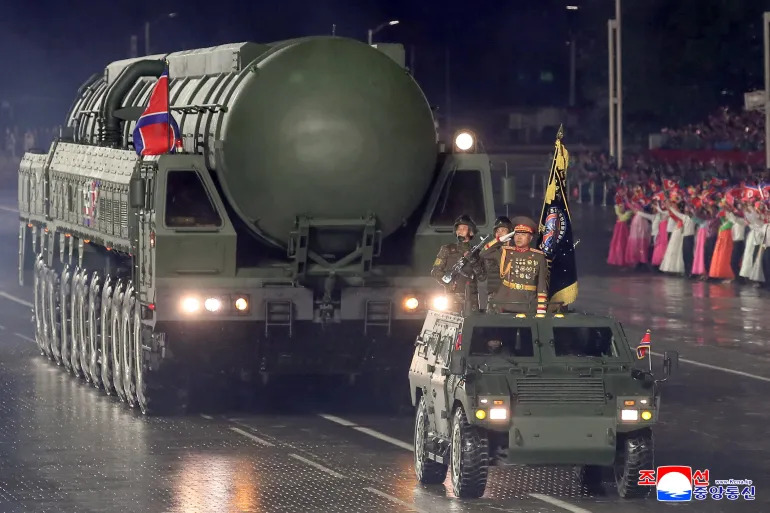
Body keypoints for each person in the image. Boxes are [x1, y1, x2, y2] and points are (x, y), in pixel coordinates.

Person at [488, 216, 548, 314]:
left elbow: (541, 286)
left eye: (523, 234)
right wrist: (500, 239)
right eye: (516, 234)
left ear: (530, 238)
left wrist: (541, 310)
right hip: (506, 303)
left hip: (528, 304)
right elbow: (484, 253)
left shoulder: (538, 257)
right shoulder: (505, 252)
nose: (519, 237)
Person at [430, 214, 486, 314]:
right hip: (452, 298)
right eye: (458, 229)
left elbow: (482, 276)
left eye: (464, 228)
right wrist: (447, 283)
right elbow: (435, 271)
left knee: (471, 321)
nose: (460, 231)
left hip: (471, 298)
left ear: (471, 232)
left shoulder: (477, 253)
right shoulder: (447, 249)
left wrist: (473, 260)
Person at [481, 216, 513, 306]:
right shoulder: (492, 252)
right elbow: (482, 254)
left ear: (509, 233)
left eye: (503, 230)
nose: (499, 233)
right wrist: (499, 241)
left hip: (512, 294)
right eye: (497, 231)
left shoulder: (515, 251)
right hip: (495, 294)